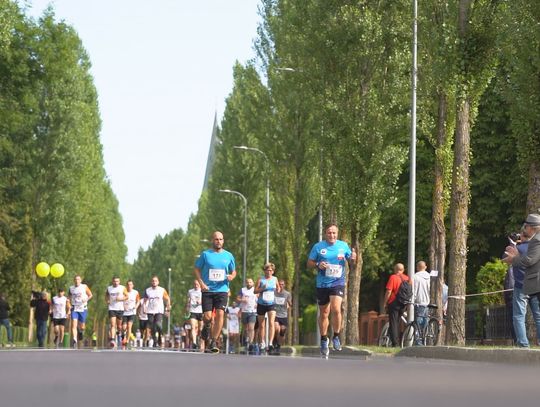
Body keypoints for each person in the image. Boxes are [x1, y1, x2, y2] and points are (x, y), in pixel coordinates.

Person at [307, 223, 356, 356]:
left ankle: (336, 336)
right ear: (325, 233)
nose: (332, 235)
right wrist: (318, 264)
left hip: (337, 282)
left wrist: (353, 258)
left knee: (336, 308)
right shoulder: (318, 247)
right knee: (324, 313)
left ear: (337, 234)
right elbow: (309, 263)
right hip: (322, 284)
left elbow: (351, 261)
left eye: (334, 233)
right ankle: (324, 339)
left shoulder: (343, 246)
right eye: (329, 233)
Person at [194, 231, 237, 353]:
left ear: (223, 241)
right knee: (207, 317)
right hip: (207, 290)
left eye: (221, 239)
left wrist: (232, 277)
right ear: (212, 240)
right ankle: (206, 326)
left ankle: (213, 340)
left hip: (222, 290)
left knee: (220, 314)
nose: (219, 241)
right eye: (216, 239)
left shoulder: (229, 255)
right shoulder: (205, 255)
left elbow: (234, 271)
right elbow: (197, 269)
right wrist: (201, 283)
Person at [504, 225, 540, 347]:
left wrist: (513, 243)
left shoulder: (517, 249)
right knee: (538, 315)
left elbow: (505, 258)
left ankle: (523, 344)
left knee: (519, 316)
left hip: (521, 287)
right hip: (535, 286)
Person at [254, 262, 280, 354]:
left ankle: (270, 343)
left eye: (271, 270)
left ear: (273, 271)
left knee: (272, 323)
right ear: (264, 271)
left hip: (271, 304)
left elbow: (278, 287)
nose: (269, 272)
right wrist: (262, 289)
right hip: (261, 304)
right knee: (261, 325)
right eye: (267, 270)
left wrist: (278, 290)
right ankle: (262, 343)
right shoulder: (260, 279)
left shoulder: (275, 279)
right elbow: (255, 291)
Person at [382, 263, 409, 347]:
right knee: (397, 322)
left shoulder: (393, 277)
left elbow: (389, 291)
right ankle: (393, 339)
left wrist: (385, 302)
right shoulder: (407, 278)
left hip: (394, 302)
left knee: (393, 323)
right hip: (403, 303)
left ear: (395, 269)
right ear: (403, 270)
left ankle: (395, 343)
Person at [144, 276, 171, 348]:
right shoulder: (147, 290)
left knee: (158, 325)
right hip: (150, 310)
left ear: (158, 282)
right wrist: (144, 308)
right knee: (152, 327)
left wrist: (167, 309)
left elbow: (167, 299)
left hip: (159, 310)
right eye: (153, 281)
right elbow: (145, 300)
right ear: (151, 282)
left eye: (155, 281)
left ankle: (159, 335)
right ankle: (155, 341)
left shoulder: (162, 290)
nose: (154, 282)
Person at [69, 275, 93, 348]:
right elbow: (69, 297)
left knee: (82, 326)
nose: (77, 281)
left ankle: (80, 331)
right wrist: (69, 304)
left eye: (78, 279)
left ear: (80, 280)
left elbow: (90, 295)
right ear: (74, 280)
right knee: (74, 324)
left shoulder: (84, 286)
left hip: (83, 308)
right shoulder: (71, 288)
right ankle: (74, 340)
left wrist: (86, 299)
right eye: (75, 279)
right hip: (74, 308)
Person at [412, 261, 430, 345]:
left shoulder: (415, 277)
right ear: (425, 267)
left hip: (418, 303)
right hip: (428, 303)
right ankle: (425, 340)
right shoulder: (430, 277)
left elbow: (413, 290)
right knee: (425, 322)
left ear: (417, 267)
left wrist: (412, 301)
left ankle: (418, 342)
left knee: (418, 323)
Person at [106, 276, 127, 347]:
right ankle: (112, 339)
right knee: (112, 325)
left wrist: (121, 299)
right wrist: (107, 300)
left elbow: (127, 296)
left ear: (119, 282)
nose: (116, 282)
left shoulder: (122, 288)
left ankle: (122, 333)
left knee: (119, 326)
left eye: (117, 281)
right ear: (112, 281)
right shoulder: (109, 288)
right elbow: (106, 295)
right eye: (114, 281)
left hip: (120, 309)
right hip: (112, 308)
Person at [237, 278, 257, 352]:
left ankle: (251, 343)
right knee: (245, 329)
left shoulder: (255, 290)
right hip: (244, 311)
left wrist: (257, 304)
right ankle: (246, 341)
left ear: (253, 283)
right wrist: (242, 300)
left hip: (252, 312)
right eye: (248, 282)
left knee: (251, 328)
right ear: (246, 283)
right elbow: (238, 298)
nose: (249, 283)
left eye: (250, 282)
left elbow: (259, 298)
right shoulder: (242, 290)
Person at [273, 279, 292, 352]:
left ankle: (278, 345)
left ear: (284, 285)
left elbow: (290, 303)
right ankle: (274, 341)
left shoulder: (287, 294)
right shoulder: (274, 292)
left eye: (282, 284)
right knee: (277, 328)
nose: (281, 286)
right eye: (279, 284)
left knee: (282, 331)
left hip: (284, 315)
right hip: (275, 314)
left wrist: (289, 303)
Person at [186, 280, 203, 350]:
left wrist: (200, 302)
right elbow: (188, 299)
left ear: (199, 284)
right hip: (193, 311)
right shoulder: (190, 291)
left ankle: (198, 338)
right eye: (195, 284)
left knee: (200, 329)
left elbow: (206, 300)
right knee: (193, 327)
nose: (196, 285)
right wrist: (187, 306)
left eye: (197, 284)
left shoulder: (202, 291)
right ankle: (194, 342)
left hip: (201, 311)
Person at [122, 280, 140, 346]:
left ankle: (127, 340)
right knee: (124, 327)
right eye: (128, 285)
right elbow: (120, 301)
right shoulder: (123, 292)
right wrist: (123, 307)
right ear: (126, 286)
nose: (129, 286)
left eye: (130, 285)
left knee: (129, 326)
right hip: (124, 312)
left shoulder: (136, 292)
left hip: (132, 312)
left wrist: (136, 306)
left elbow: (138, 301)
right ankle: (123, 335)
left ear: (133, 285)